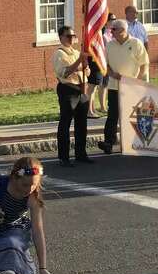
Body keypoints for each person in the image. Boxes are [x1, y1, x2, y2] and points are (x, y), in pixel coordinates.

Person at [97, 19, 149, 154]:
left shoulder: (136, 43)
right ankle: (109, 142)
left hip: (132, 87)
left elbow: (144, 64)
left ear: (122, 30)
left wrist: (138, 82)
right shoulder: (110, 45)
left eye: (113, 29)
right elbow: (105, 65)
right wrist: (112, 73)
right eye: (111, 29)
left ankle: (136, 142)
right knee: (112, 115)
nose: (111, 32)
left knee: (132, 115)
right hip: (114, 86)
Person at [52, 26, 91, 166]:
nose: (71, 38)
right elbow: (65, 72)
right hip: (67, 89)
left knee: (82, 124)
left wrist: (84, 65)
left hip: (81, 89)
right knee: (65, 123)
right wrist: (79, 62)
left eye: (73, 36)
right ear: (61, 37)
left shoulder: (76, 53)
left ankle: (81, 153)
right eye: (68, 36)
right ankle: (64, 157)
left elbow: (88, 73)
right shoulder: (59, 53)